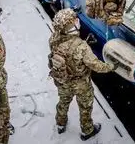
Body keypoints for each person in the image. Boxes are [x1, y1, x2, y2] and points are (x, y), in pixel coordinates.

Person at [48, 9, 113, 140]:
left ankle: (60, 124)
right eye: (75, 20)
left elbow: (65, 52)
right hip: (81, 83)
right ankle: (87, 130)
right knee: (85, 107)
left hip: (62, 79)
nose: (78, 21)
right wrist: (111, 66)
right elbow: (97, 66)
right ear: (71, 26)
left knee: (63, 102)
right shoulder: (82, 47)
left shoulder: (53, 39)